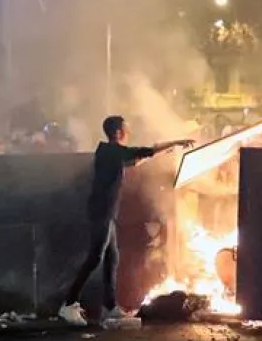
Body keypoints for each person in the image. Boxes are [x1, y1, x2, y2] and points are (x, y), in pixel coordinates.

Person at [58, 116, 193, 327]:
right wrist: (174, 143)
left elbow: (136, 159)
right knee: (95, 257)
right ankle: (68, 304)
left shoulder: (110, 153)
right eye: (126, 128)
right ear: (119, 132)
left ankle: (110, 308)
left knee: (112, 258)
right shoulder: (110, 150)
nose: (129, 131)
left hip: (107, 213)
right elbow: (142, 152)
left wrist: (164, 150)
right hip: (101, 212)